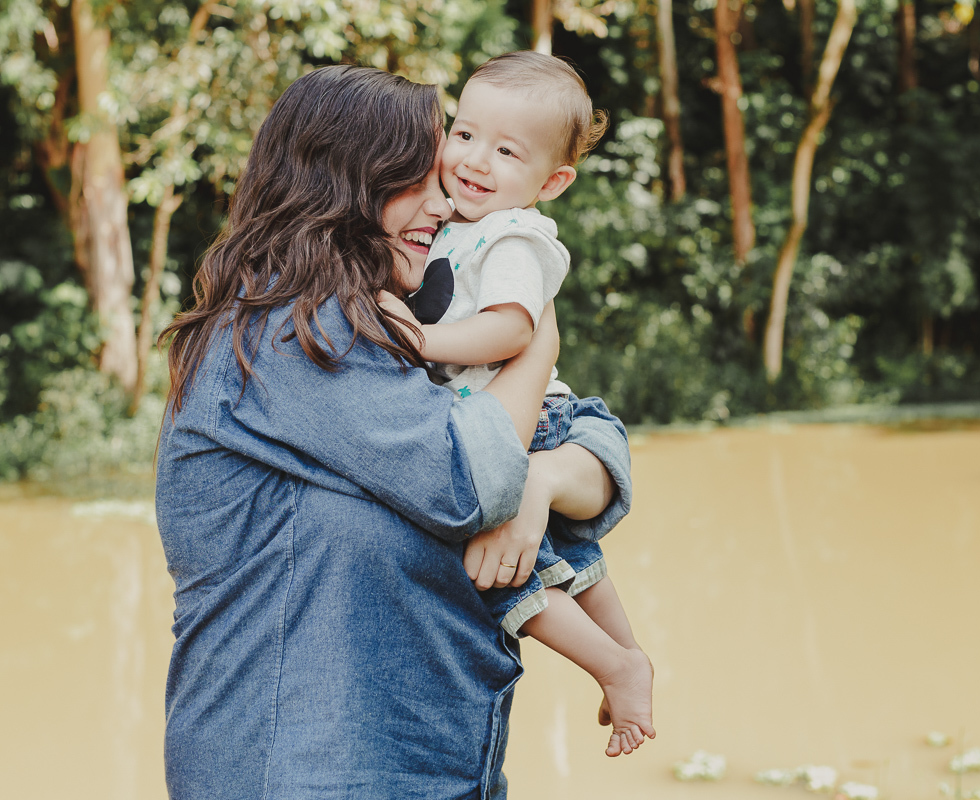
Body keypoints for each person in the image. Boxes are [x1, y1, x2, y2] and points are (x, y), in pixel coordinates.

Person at [154, 65, 632, 799]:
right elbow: (472, 481)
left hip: (432, 767)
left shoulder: (376, 327)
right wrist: (538, 342)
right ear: (345, 185)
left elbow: (586, 434)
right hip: (302, 773)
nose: (447, 201)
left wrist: (544, 478)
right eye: (423, 177)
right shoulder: (285, 335)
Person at [381, 51, 654, 758]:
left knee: (502, 576)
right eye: (465, 134)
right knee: (573, 557)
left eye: (507, 151)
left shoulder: (513, 236)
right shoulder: (456, 222)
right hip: (500, 416)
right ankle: (627, 655)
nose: (474, 160)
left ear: (552, 181)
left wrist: (419, 338)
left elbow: (512, 326)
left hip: (533, 421)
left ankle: (615, 662)